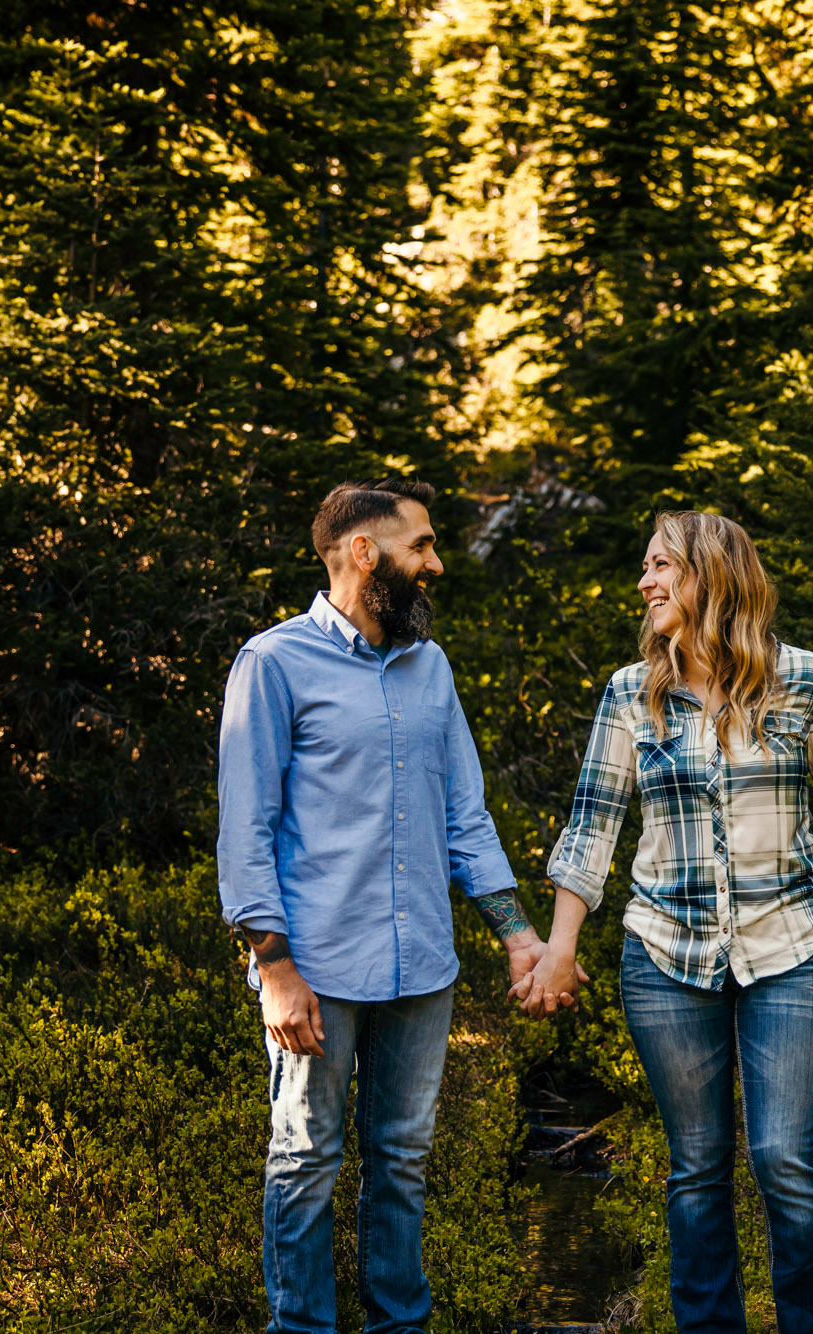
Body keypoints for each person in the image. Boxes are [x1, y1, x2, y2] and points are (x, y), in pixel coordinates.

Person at [517, 510, 813, 1334]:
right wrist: (559, 950)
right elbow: (592, 826)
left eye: (660, 567)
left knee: (784, 1159)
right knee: (695, 1170)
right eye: (645, 568)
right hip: (664, 956)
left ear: (711, 576)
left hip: (792, 947)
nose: (644, 583)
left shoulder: (807, 680)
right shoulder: (629, 692)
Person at [218, 477, 570, 1334]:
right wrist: (274, 969)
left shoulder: (430, 665)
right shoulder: (274, 663)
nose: (436, 563)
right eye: (422, 546)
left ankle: (397, 1327)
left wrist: (518, 935)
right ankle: (300, 1328)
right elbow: (245, 832)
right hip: (318, 969)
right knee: (305, 1159)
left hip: (423, 970)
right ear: (364, 553)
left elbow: (464, 814)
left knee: (403, 1162)